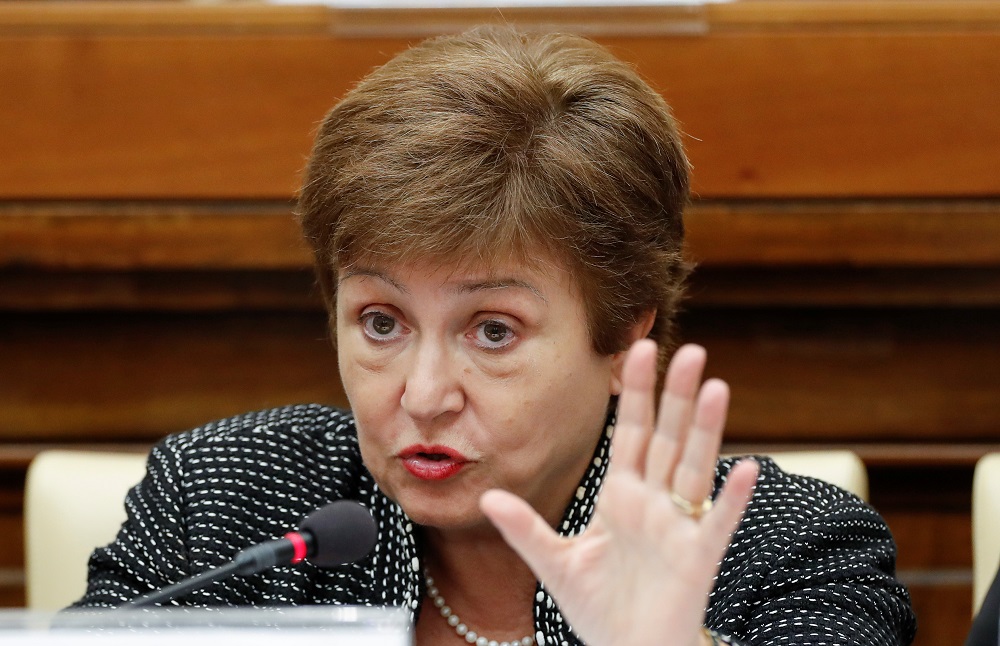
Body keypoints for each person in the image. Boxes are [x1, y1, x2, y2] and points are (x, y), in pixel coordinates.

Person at [73, 26, 917, 646]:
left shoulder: (788, 550)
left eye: (492, 330)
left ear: (623, 337)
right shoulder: (225, 503)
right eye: (381, 322)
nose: (425, 395)